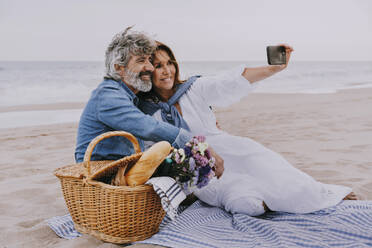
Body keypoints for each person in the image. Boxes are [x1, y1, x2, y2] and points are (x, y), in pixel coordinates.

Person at [138, 42, 357, 216]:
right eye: (158, 66)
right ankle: (269, 202)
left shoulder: (194, 89)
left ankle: (326, 195)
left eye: (170, 63)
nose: (167, 71)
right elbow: (153, 154)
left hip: (232, 150)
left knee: (275, 171)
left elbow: (228, 82)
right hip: (202, 171)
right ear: (147, 72)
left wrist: (273, 68)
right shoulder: (146, 113)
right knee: (247, 205)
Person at [74, 27, 224, 178]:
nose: (150, 67)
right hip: (101, 179)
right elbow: (150, 128)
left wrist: (207, 123)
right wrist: (197, 146)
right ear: (119, 68)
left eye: (149, 61)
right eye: (141, 61)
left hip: (120, 172)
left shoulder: (130, 96)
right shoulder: (108, 95)